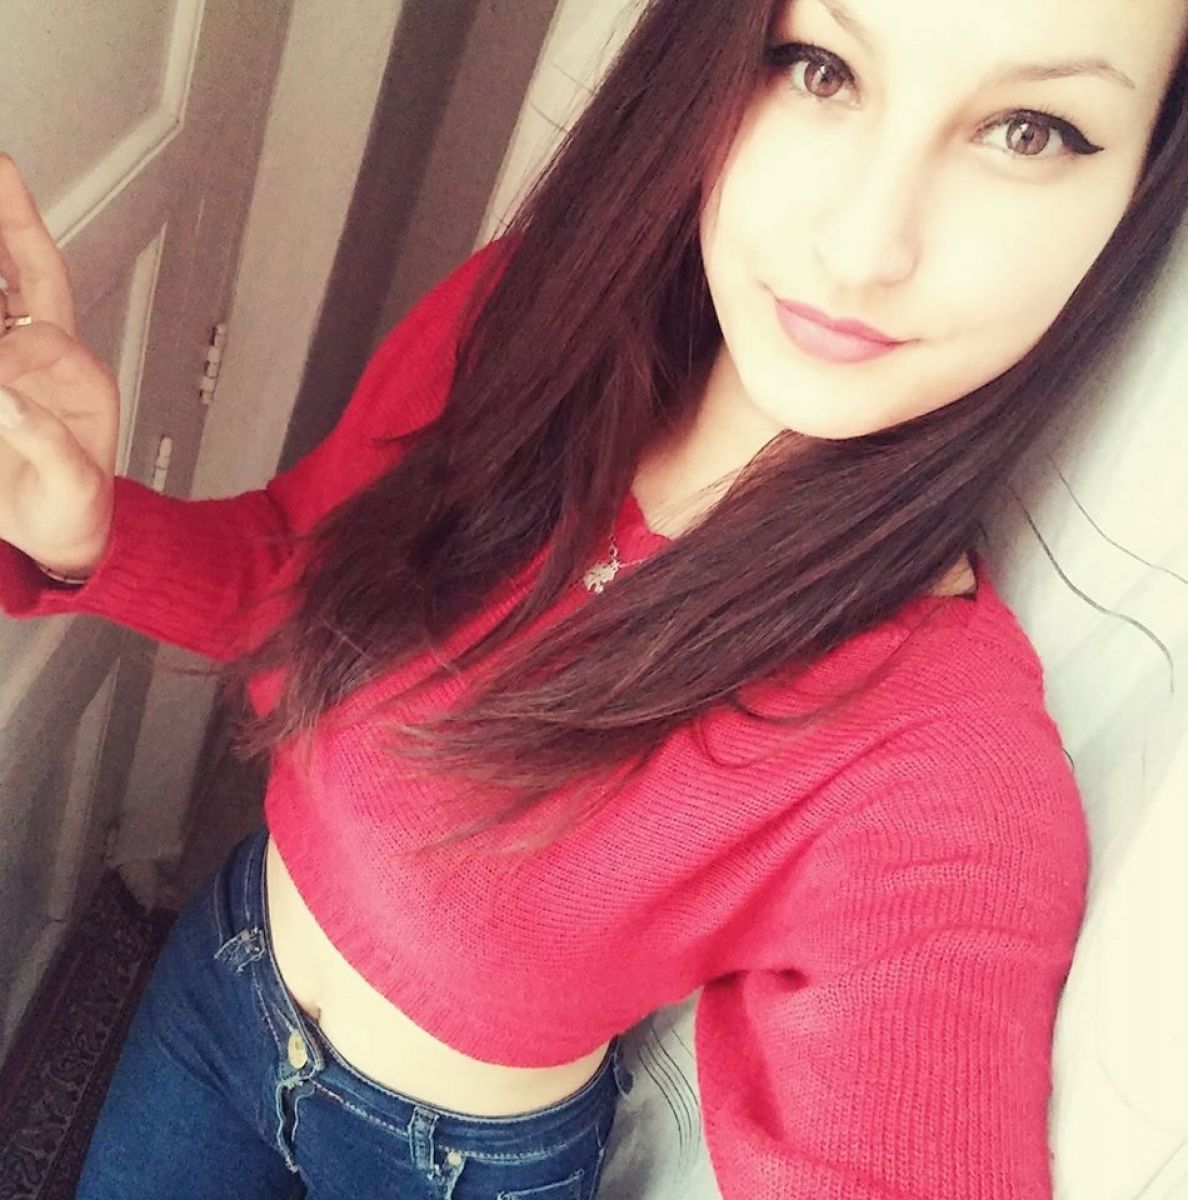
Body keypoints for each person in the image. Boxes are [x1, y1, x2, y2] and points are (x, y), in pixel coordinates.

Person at [0, 0, 1185, 1195]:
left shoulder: (940, 766)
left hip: (452, 1167)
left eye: (1031, 130)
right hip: (221, 981)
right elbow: (294, 585)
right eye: (819, 67)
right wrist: (90, 528)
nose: (866, 243)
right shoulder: (530, 323)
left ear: (1139, 191)